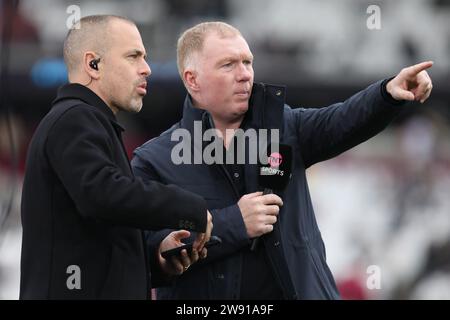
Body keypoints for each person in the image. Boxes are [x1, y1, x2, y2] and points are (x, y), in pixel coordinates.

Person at [131, 22, 433, 299]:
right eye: (228, 65)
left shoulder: (284, 128)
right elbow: (150, 256)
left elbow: (341, 121)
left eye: (247, 62)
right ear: (192, 80)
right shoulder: (155, 161)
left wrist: (387, 95)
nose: (245, 74)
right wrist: (234, 223)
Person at [20, 15, 213, 300]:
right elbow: (104, 194)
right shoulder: (74, 118)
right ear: (93, 64)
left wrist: (156, 258)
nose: (146, 68)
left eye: (145, 57)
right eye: (133, 56)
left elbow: (99, 238)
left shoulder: (87, 121)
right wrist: (188, 208)